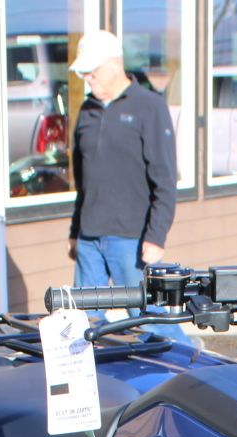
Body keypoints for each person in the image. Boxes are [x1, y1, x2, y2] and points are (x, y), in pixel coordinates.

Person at [67, 30, 178, 296]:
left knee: (149, 320)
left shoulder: (149, 107)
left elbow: (165, 179)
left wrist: (156, 236)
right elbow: (84, 181)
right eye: (83, 73)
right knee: (84, 320)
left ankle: (185, 342)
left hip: (132, 239)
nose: (87, 78)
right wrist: (75, 231)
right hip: (89, 237)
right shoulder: (87, 111)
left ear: (115, 65)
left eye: (92, 71)